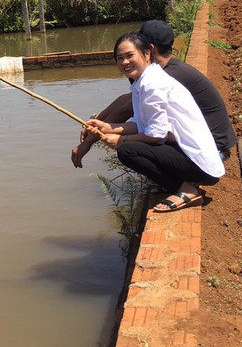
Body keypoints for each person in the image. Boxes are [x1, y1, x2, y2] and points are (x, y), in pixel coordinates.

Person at [82, 32, 225, 212]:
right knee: (130, 146)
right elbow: (140, 125)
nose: (125, 62)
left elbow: (156, 135)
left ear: (147, 54)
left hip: (199, 165)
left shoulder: (152, 84)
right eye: (120, 58)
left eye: (129, 56)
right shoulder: (143, 82)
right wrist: (107, 127)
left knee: (127, 151)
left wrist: (120, 140)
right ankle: (179, 184)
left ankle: (186, 190)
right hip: (191, 157)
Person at [71, 19, 236, 168]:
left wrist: (88, 143)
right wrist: (98, 120)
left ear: (148, 50)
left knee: (131, 148)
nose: (125, 61)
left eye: (132, 51)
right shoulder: (160, 71)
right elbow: (128, 98)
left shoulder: (164, 77)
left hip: (211, 150)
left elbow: (126, 110)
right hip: (206, 144)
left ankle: (184, 184)